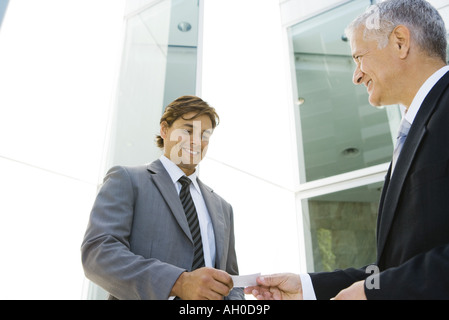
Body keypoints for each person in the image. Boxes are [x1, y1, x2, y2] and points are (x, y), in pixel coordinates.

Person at [245, 0, 449, 300]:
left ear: (400, 42)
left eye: (358, 57)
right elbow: (394, 267)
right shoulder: (415, 128)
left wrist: (372, 294)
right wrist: (308, 287)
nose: (356, 75)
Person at [81, 95, 244, 300]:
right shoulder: (128, 180)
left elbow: (230, 280)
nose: (196, 141)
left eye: (205, 134)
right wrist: (177, 282)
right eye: (187, 130)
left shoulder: (223, 208)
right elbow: (99, 254)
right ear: (164, 130)